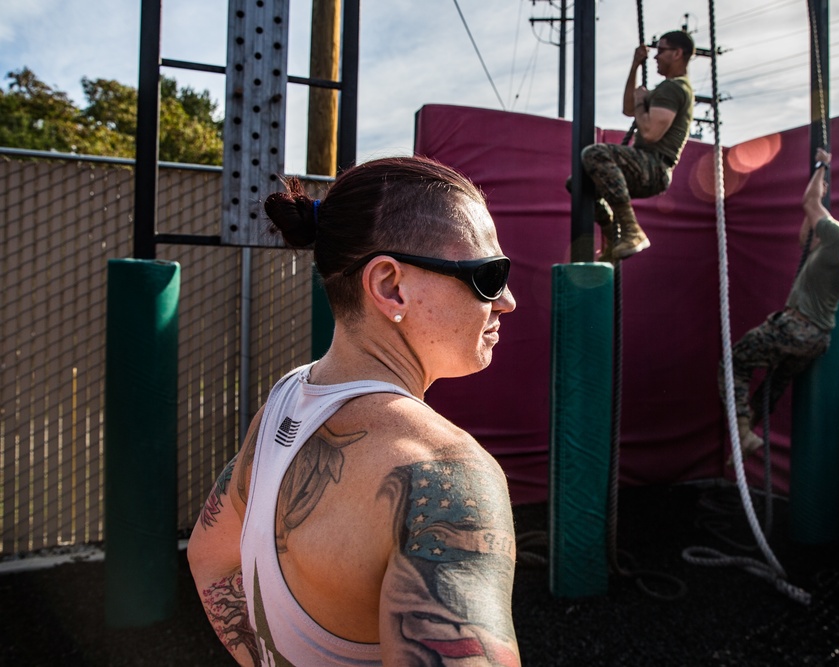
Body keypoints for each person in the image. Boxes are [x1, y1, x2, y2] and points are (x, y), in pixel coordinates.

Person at [187, 156, 521, 666]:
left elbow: (208, 558)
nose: (508, 301)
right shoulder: (448, 477)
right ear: (390, 286)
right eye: (490, 275)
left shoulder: (285, 398)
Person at [722, 148, 839, 456]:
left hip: (797, 326)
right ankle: (748, 436)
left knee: (734, 363)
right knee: (775, 383)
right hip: (817, 339)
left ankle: (743, 431)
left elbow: (809, 202)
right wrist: (816, 210)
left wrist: (822, 167)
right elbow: (807, 243)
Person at [581, 30, 695, 262]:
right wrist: (635, 66)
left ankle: (631, 230)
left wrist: (643, 100)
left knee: (595, 153)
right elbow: (628, 108)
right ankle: (614, 237)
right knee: (579, 183)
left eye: (661, 50)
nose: (656, 56)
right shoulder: (667, 88)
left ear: (677, 54)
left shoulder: (674, 88)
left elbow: (651, 133)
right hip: (645, 166)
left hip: (654, 167)